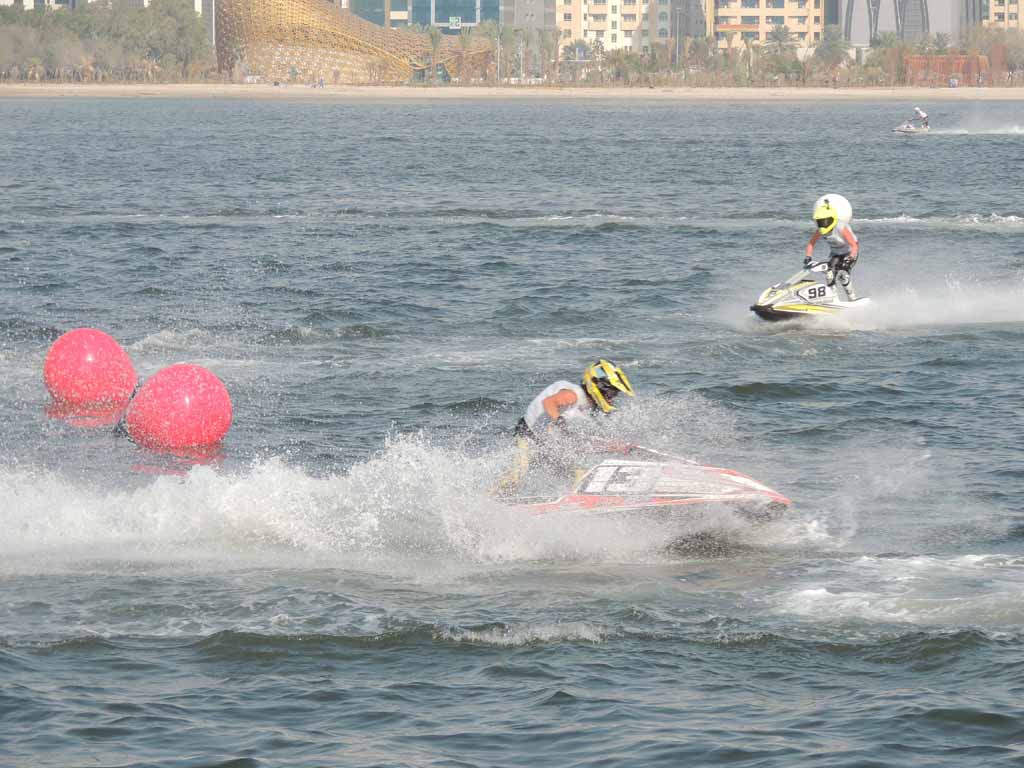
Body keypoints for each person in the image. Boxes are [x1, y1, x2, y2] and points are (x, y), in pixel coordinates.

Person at [497, 360, 635, 494]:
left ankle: (573, 503)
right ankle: (491, 502)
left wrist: (615, 446)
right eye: (611, 393)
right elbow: (549, 402)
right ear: (598, 386)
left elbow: (585, 441)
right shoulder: (573, 394)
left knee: (580, 475)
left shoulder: (590, 409)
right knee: (517, 476)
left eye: (615, 394)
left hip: (549, 445)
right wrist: (559, 420)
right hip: (529, 438)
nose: (612, 398)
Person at [805, 193, 859, 301]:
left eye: (825, 221)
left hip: (849, 253)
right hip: (836, 254)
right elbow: (811, 244)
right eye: (820, 222)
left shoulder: (840, 227)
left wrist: (850, 258)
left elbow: (854, 245)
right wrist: (808, 257)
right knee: (830, 274)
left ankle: (852, 299)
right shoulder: (820, 230)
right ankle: (834, 300)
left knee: (843, 275)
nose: (823, 224)